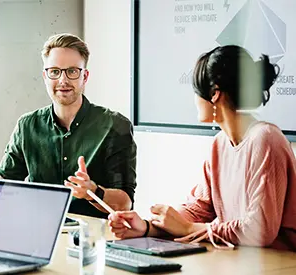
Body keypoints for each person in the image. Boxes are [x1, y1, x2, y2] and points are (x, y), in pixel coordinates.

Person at [108, 45, 296, 251]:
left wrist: (188, 228)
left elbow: (260, 230)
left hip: (279, 264)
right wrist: (146, 227)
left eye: (196, 91)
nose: (195, 100)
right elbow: (199, 209)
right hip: (236, 261)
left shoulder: (266, 140)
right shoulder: (219, 144)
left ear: (215, 93)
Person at [0, 33, 137, 218]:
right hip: (38, 232)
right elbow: (4, 184)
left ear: (85, 76)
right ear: (45, 76)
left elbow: (125, 203)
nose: (63, 81)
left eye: (72, 71)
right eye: (55, 72)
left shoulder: (114, 125)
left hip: (91, 238)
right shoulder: (28, 126)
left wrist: (93, 192)